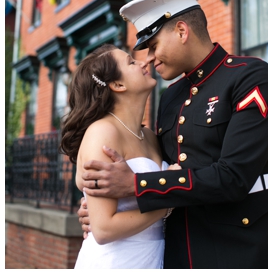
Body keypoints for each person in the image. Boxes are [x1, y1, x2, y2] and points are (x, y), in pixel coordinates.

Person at [77, 0, 268, 269]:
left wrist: (136, 186)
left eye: (153, 46)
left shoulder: (249, 76)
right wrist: (102, 207)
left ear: (181, 31)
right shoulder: (170, 97)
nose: (149, 59)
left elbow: (234, 176)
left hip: (239, 248)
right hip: (176, 253)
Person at [60, 44, 179, 268]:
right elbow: (104, 229)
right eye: (131, 62)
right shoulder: (102, 132)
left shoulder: (150, 136)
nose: (144, 62)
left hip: (155, 256)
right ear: (117, 84)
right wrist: (170, 201)